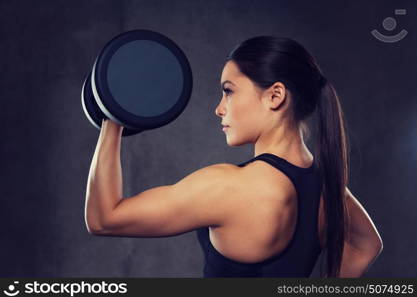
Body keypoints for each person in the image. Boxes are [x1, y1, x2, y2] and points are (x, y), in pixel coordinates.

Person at [84, 36, 383, 277]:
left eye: (229, 91)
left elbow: (104, 219)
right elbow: (366, 245)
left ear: (275, 96)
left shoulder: (230, 187)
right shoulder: (329, 187)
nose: (219, 108)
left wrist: (114, 116)